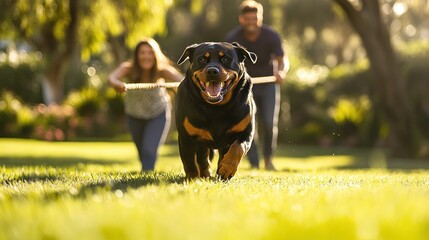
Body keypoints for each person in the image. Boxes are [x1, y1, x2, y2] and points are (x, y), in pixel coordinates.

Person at [226, 0, 289, 170]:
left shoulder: (271, 35)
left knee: (268, 123)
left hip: (268, 85)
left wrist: (281, 72)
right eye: (248, 19)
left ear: (260, 18)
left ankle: (268, 159)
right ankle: (254, 163)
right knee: (248, 124)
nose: (251, 22)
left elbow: (282, 60)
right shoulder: (233, 39)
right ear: (241, 19)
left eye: (255, 18)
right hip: (244, 87)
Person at [108, 37, 183, 171]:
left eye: (150, 53)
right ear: (137, 55)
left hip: (158, 114)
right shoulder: (128, 69)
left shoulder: (162, 70)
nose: (146, 56)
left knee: (149, 149)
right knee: (142, 152)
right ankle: (146, 169)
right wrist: (117, 84)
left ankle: (146, 175)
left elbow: (183, 81)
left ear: (155, 55)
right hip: (134, 115)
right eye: (142, 53)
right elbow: (112, 78)